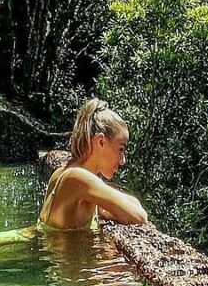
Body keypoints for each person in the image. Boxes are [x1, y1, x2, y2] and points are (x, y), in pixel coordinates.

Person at [38, 98, 148, 231]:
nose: (122, 160)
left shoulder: (61, 172)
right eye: (121, 149)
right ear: (100, 142)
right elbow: (140, 218)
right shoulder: (79, 178)